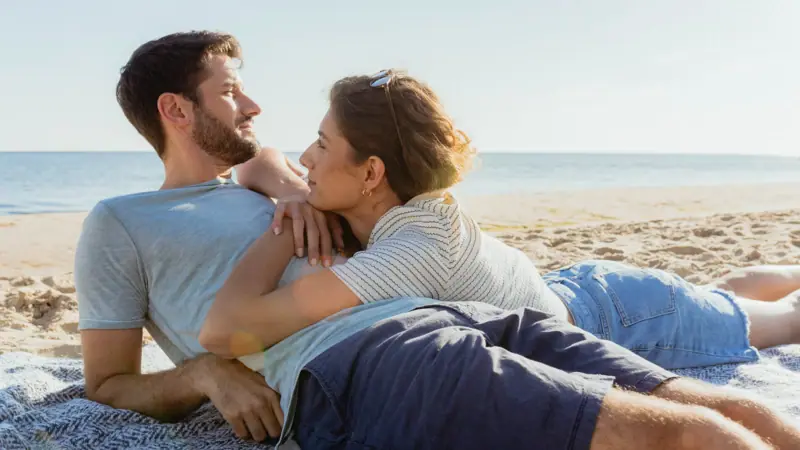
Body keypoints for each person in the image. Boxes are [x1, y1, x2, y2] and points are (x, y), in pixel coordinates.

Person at [77, 31, 800, 450]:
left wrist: (290, 192)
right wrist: (204, 374)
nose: (257, 105)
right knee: (676, 438)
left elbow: (274, 162)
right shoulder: (121, 221)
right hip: (363, 359)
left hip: (462, 315)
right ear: (175, 110)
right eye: (232, 91)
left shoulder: (278, 178)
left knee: (724, 409)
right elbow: (107, 383)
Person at [202, 69, 800, 373]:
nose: (306, 156)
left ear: (371, 173)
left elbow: (224, 332)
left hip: (624, 320)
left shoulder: (414, 248)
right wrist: (296, 195)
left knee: (782, 321)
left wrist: (284, 231)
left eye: (322, 145)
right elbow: (258, 157)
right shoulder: (385, 204)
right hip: (576, 288)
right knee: (723, 292)